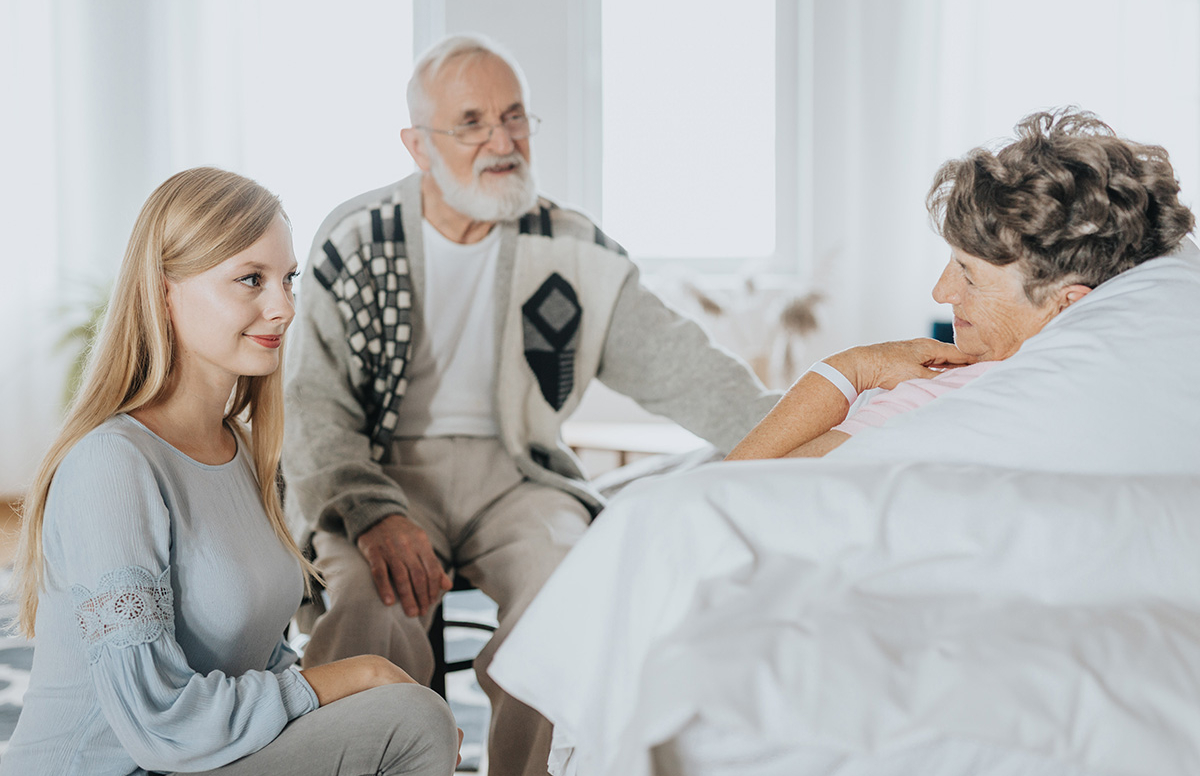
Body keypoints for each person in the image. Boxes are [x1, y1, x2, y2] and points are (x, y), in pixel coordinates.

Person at [282, 32, 965, 776]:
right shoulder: (354, 240)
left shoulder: (573, 250)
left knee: (574, 586)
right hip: (374, 471)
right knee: (365, 598)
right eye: (472, 123)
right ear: (418, 144)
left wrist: (833, 438)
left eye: (514, 118)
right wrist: (373, 511)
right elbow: (313, 406)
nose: (502, 141)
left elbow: (692, 373)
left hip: (517, 473)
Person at [2, 168, 461, 776]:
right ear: (164, 291)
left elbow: (260, 659)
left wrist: (350, 698)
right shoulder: (112, 464)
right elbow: (156, 719)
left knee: (404, 717)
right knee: (409, 717)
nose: (285, 308)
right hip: (129, 767)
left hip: (200, 763)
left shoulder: (241, 450)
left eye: (288, 279)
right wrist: (361, 674)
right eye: (250, 279)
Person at [727, 107, 1195, 462]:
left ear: (1066, 304)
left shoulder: (937, 398)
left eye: (969, 273)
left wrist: (853, 369)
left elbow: (728, 501)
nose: (942, 292)